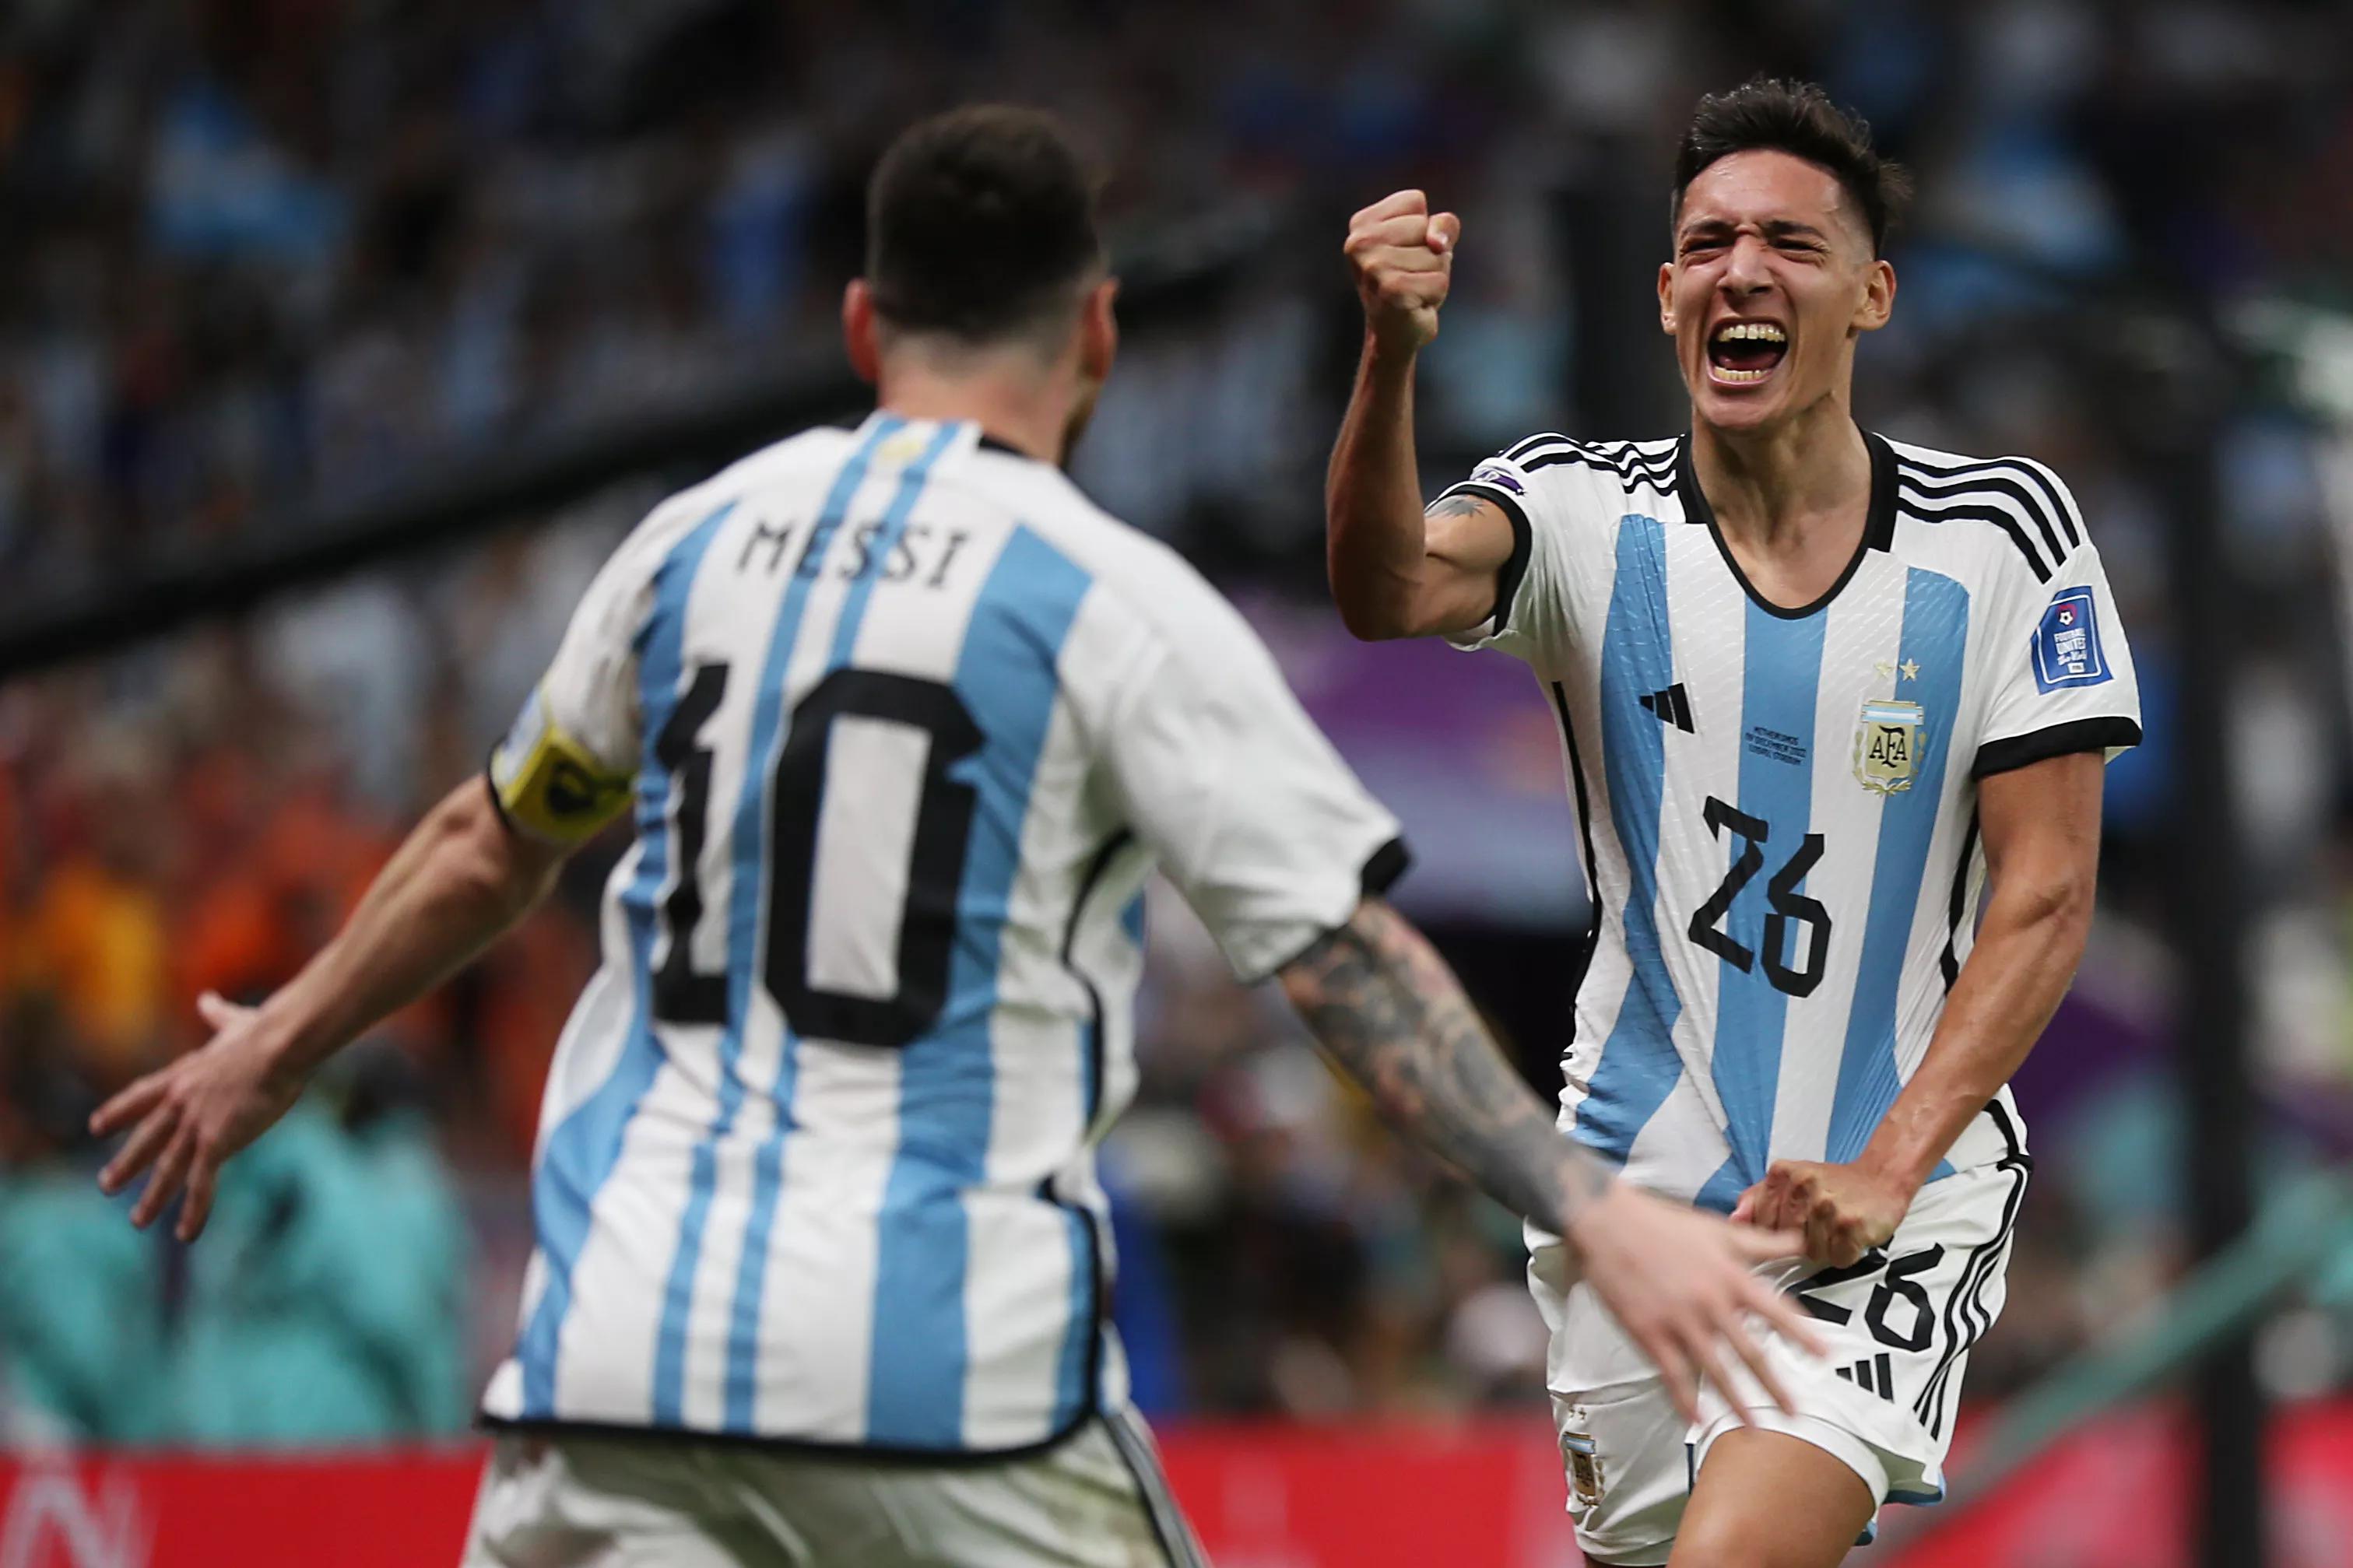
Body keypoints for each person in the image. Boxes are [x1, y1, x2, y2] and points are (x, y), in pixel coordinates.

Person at [91, 106, 1817, 1567]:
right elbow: (1341, 962)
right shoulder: (1112, 601)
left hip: (615, 1355)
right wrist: (1591, 1209)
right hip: (940, 1380)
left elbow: (492, 836)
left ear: (860, 328)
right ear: (1098, 335)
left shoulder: (689, 549)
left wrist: (277, 1056)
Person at [1326, 77, 2141, 1568]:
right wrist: (1389, 358)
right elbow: (1383, 590)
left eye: (1789, 244)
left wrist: (1891, 1169)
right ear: (1664, 294)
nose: (1740, 273)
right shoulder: (1582, 516)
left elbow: (2046, 894)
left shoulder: (2003, 539)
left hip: (1892, 1203)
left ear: (1873, 295)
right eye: (1707, 244)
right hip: (1636, 1204)